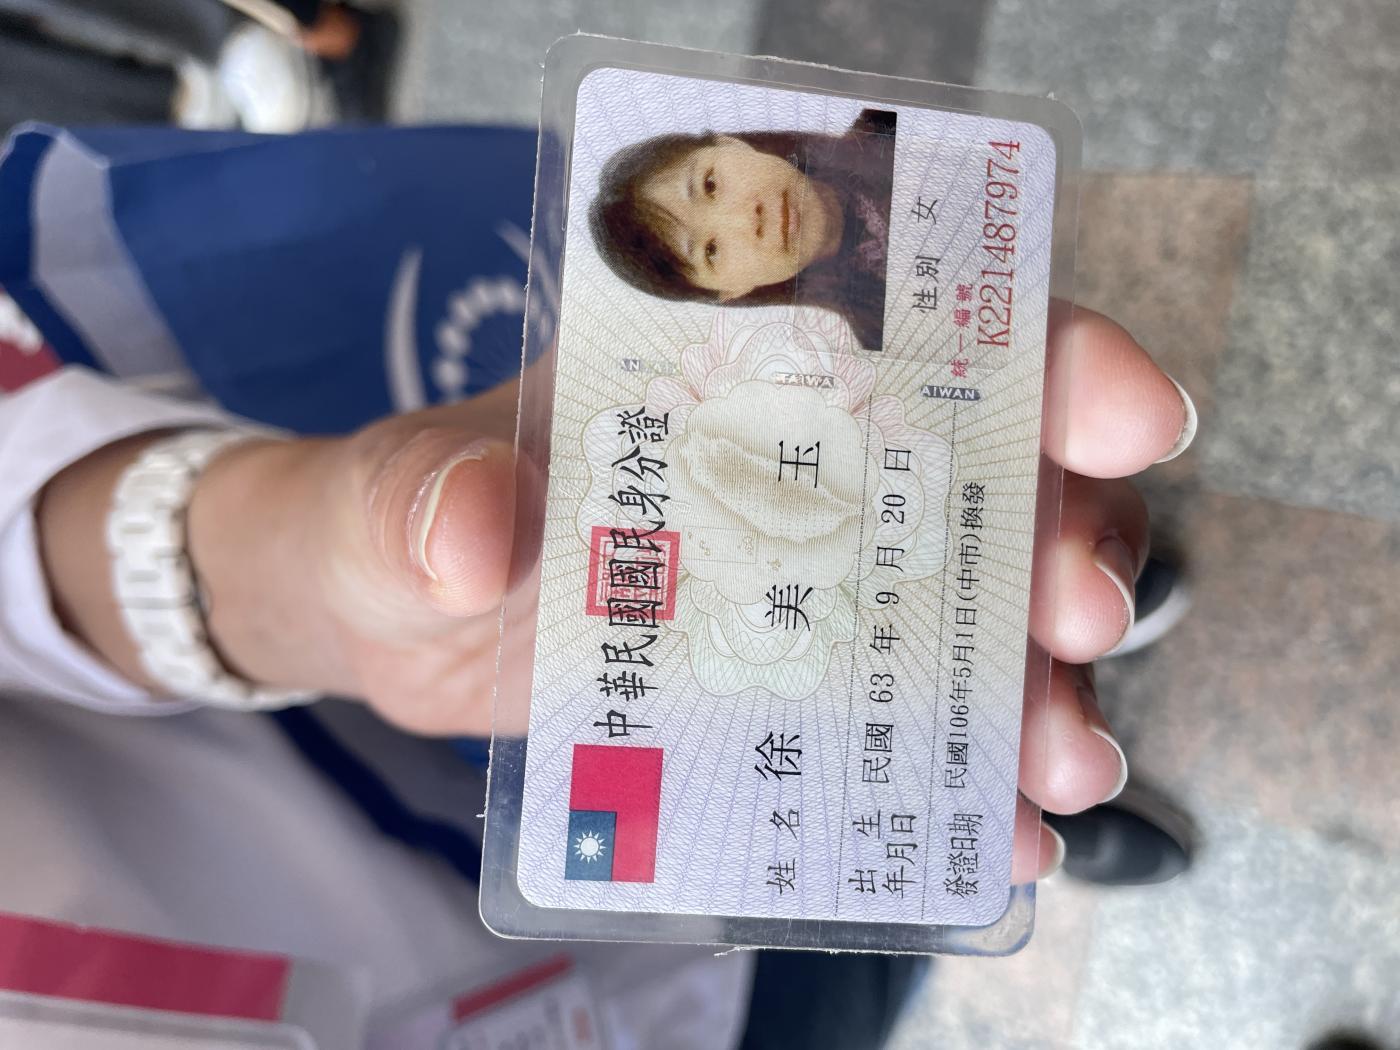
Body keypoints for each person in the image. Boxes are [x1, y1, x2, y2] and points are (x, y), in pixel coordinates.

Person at [0, 296, 1194, 1044]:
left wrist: (288, 568)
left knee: (891, 690)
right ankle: (976, 816)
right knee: (889, 907)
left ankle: (982, 740)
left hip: (505, 771)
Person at [590, 109, 897, 351]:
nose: (747, 220)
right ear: (732, 291)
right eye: (711, 251)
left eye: (710, 185)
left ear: (730, 144)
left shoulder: (890, 121)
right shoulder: (887, 334)